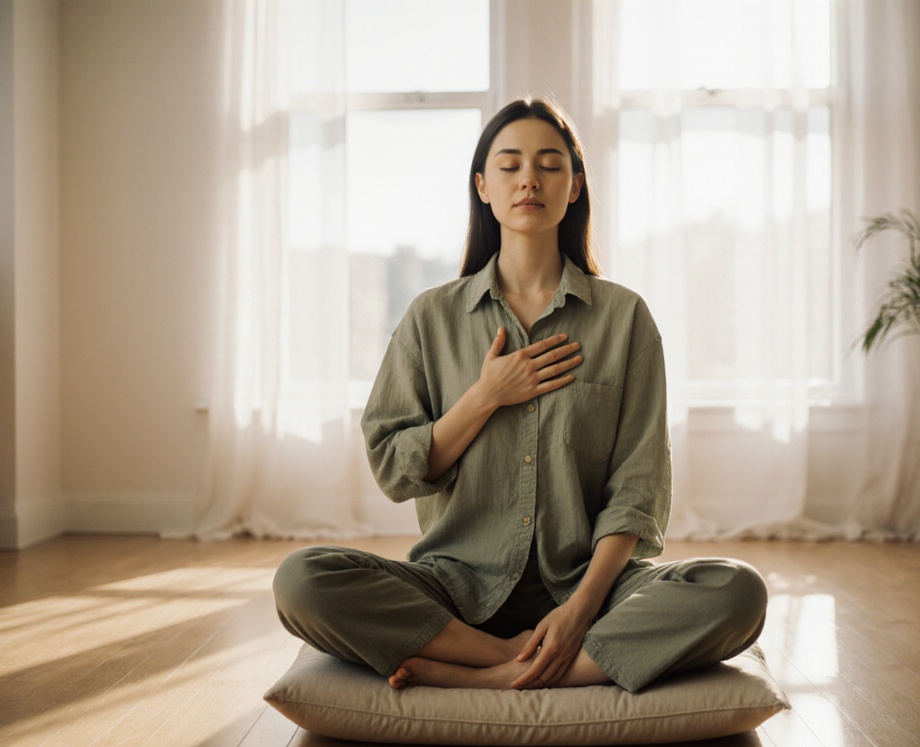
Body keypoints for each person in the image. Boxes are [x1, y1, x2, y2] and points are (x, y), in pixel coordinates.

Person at [273, 98, 767, 694]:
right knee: (302, 580)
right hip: (455, 589)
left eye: (549, 164)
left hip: (590, 587)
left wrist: (581, 610)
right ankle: (500, 657)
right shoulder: (432, 318)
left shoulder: (624, 318)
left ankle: (507, 672)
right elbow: (394, 469)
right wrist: (484, 396)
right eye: (509, 165)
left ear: (575, 185)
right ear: (482, 186)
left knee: (737, 590)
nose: (528, 178)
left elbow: (636, 490)